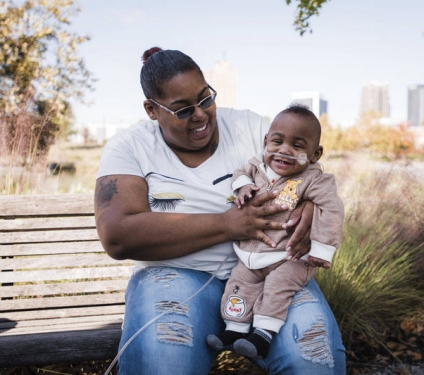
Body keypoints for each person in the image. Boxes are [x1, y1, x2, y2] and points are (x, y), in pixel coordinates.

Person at [94, 46, 346, 375]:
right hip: (174, 276)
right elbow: (118, 236)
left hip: (273, 271)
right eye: (182, 109)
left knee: (313, 360)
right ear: (152, 110)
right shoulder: (129, 147)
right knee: (164, 364)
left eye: (205, 99)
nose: (200, 115)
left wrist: (311, 205)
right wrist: (228, 225)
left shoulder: (250, 128)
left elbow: (304, 164)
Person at [206, 105, 344, 361]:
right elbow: (240, 174)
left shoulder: (314, 180)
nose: (284, 150)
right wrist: (244, 186)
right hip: (249, 255)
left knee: (277, 288)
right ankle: (234, 330)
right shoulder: (256, 167)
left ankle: (263, 335)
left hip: (289, 257)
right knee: (239, 286)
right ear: (266, 142)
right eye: (277, 141)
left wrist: (322, 249)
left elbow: (333, 209)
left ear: (315, 154)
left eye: (297, 146)